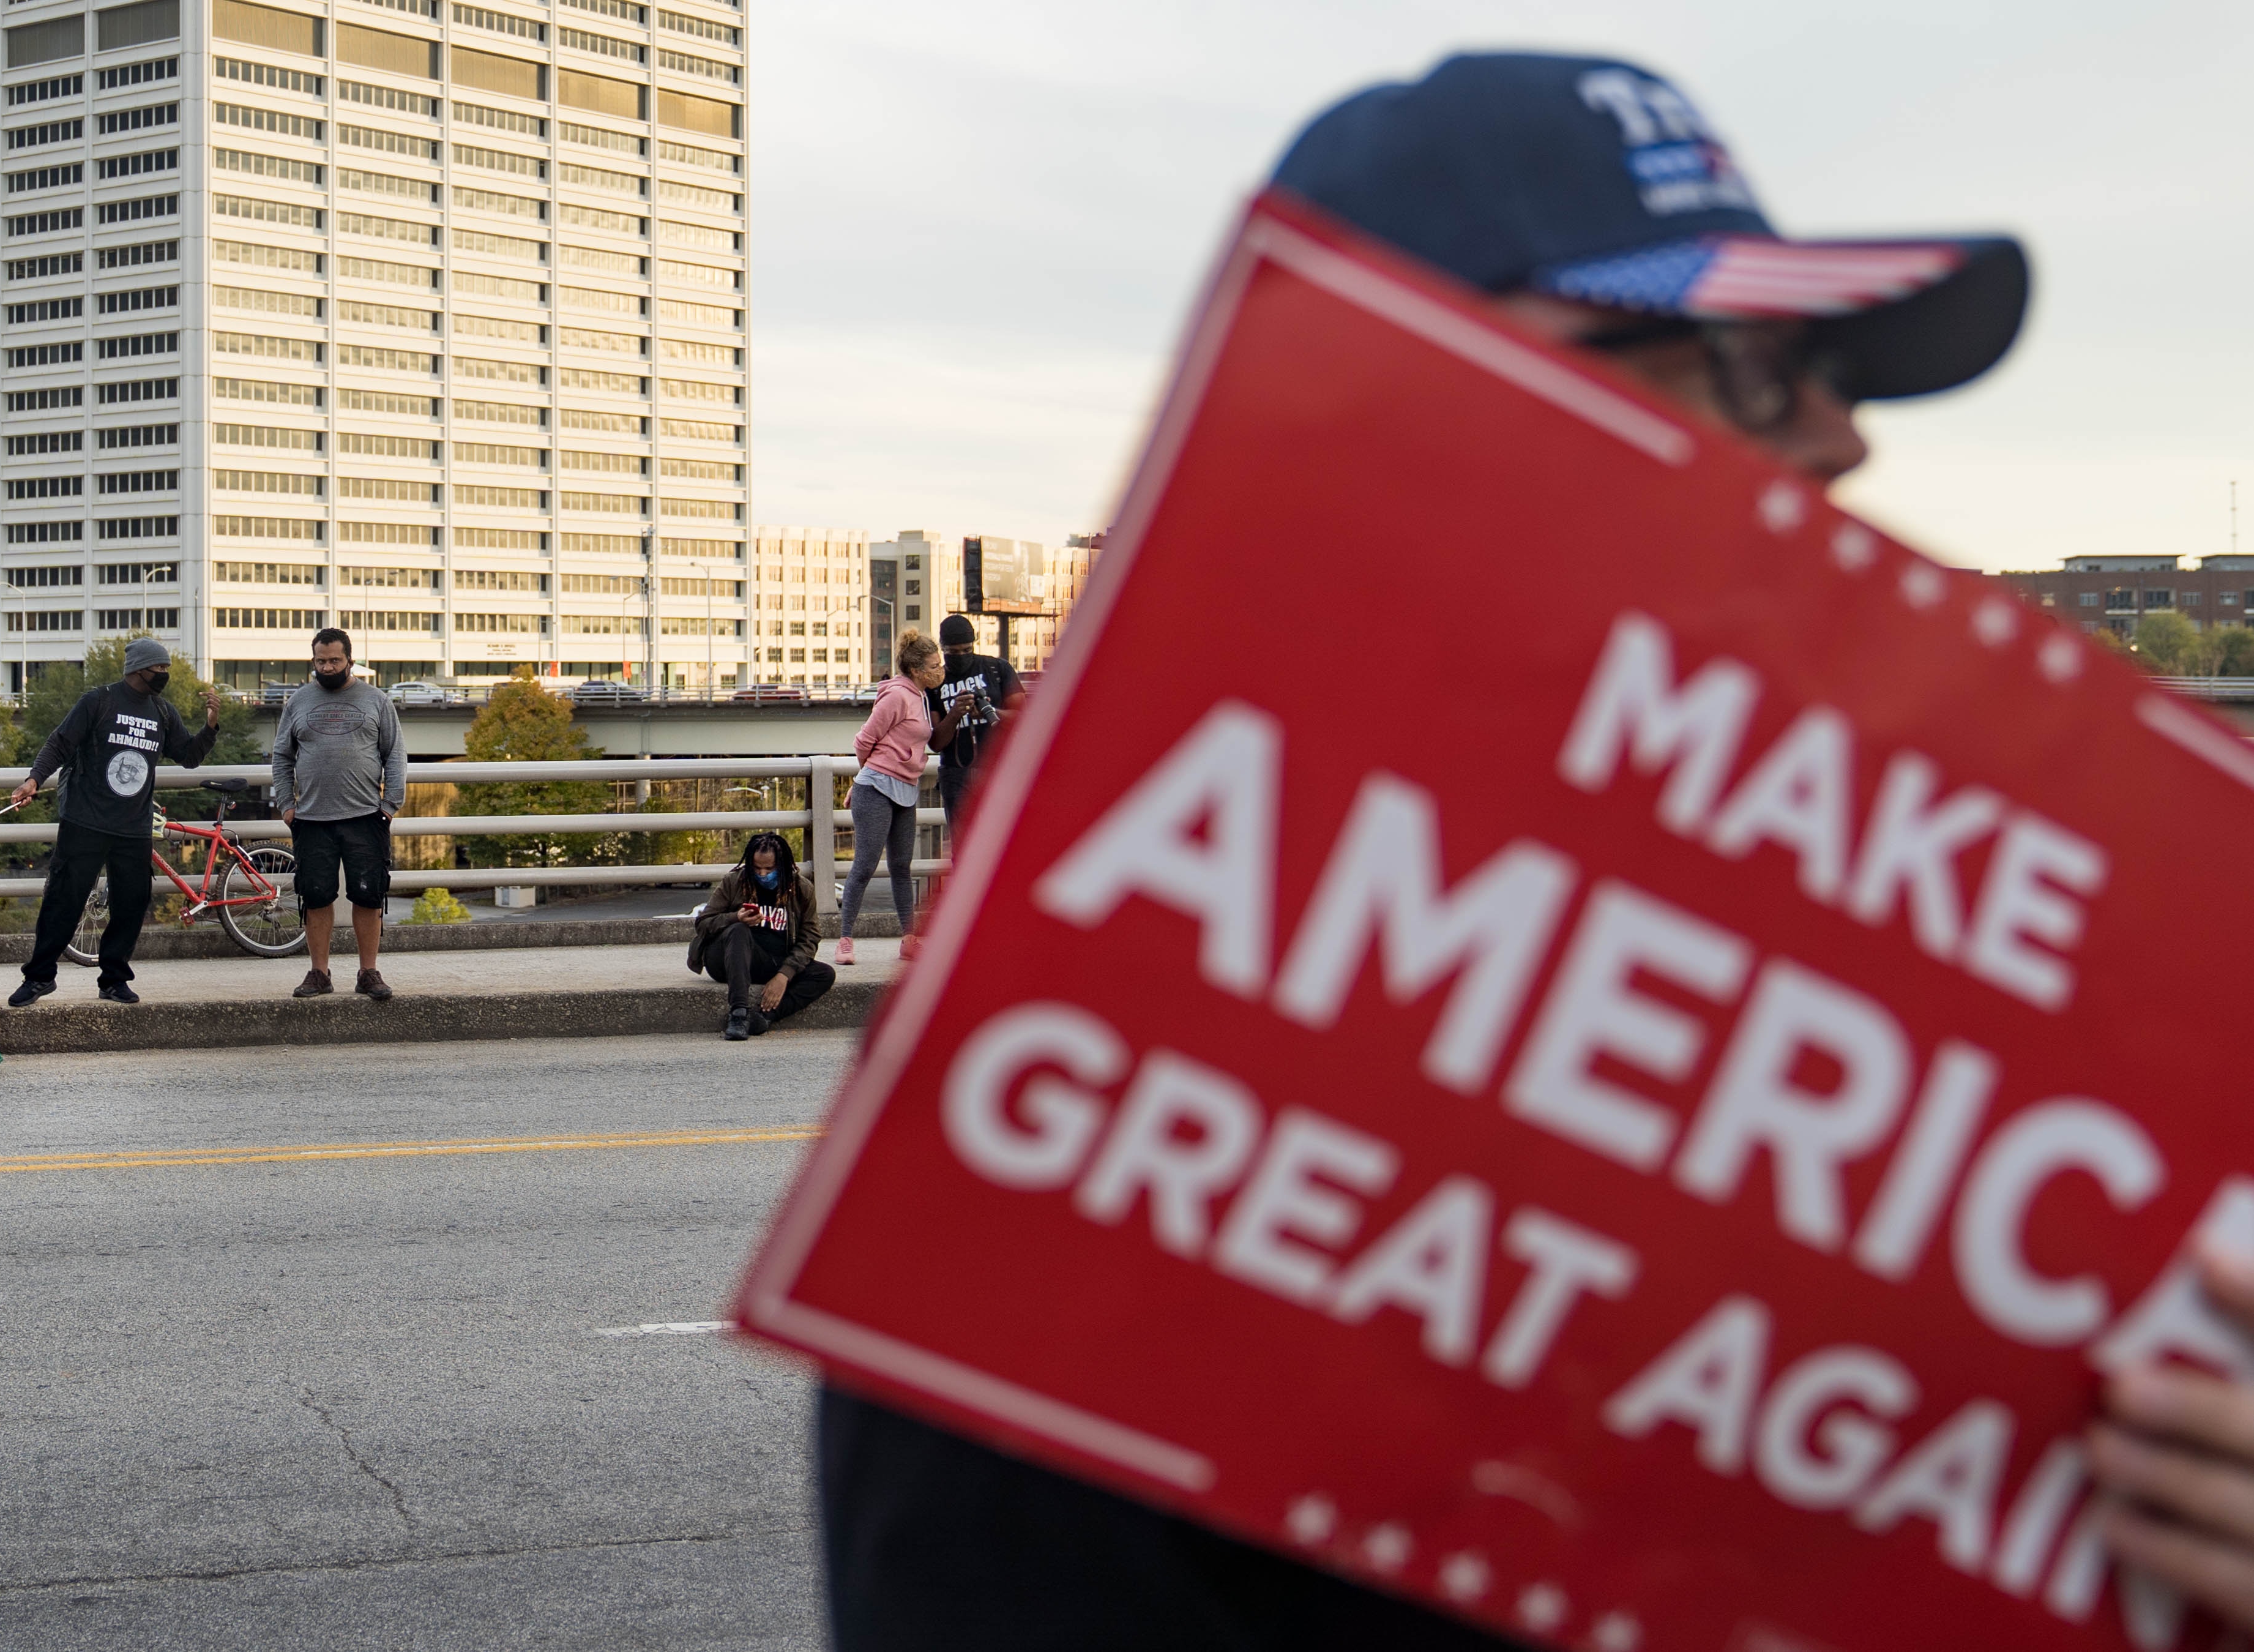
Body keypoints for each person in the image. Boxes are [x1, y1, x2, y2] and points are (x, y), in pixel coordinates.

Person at [816, 48, 2254, 1651]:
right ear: (1430, 404)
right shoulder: (1086, 1134)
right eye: (1749, 361)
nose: (1846, 440)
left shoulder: (1942, 1047)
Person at [6, 639, 218, 1006]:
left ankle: (114, 979)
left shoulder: (163, 713)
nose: (165, 675)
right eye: (160, 669)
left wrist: (211, 726)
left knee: (132, 904)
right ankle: (39, 977)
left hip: (134, 827)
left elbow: (188, 757)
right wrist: (33, 780)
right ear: (138, 669)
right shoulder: (98, 702)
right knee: (63, 902)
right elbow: (59, 744)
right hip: (84, 822)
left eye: (167, 669)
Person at [272, 628, 406, 1001]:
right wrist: (287, 805)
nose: (327, 667)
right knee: (315, 897)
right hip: (312, 819)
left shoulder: (376, 700)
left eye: (334, 660)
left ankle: (368, 972)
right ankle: (319, 973)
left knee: (368, 896)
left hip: (366, 816)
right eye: (320, 661)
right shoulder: (297, 701)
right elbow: (282, 756)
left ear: (349, 659)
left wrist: (390, 805)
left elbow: (394, 754)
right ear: (312, 660)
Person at [835, 632, 942, 968]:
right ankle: (845, 940)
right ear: (915, 668)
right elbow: (864, 740)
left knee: (900, 867)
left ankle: (909, 939)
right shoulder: (897, 696)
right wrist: (866, 777)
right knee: (865, 865)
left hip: (906, 789)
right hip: (878, 787)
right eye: (934, 666)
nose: (940, 670)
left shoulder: (922, 696)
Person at [689, 831, 836, 1040]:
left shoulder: (802, 889)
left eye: (770, 868)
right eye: (757, 869)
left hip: (770, 961)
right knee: (740, 930)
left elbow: (810, 937)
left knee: (824, 974)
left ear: (783, 865)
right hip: (728, 959)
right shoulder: (735, 881)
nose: (764, 874)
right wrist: (735, 918)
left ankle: (764, 1017)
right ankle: (738, 1014)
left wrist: (784, 975)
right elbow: (702, 924)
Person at [925, 613, 1026, 840]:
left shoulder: (996, 670)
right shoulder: (935, 681)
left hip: (998, 769)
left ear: (974, 643)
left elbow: (1023, 717)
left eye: (965, 650)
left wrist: (992, 712)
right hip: (956, 773)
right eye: (953, 652)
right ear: (943, 648)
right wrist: (955, 713)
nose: (960, 656)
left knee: (1004, 841)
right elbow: (936, 742)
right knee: (962, 847)